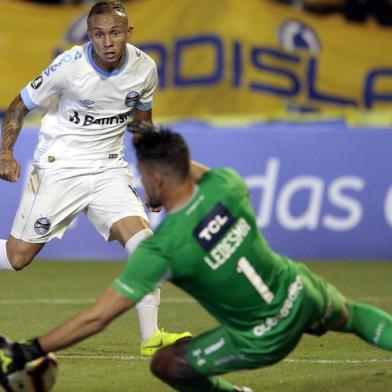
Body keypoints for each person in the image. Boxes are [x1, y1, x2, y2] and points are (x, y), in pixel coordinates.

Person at [1, 127, 392, 392]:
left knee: (166, 364)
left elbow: (97, 317)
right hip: (300, 290)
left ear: (155, 180)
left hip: (262, 336)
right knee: (352, 315)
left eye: (142, 175)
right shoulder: (228, 184)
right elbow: (193, 173)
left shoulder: (163, 248)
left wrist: (32, 348)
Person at [0, 0, 190, 355]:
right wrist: (5, 152)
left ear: (128, 33)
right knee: (17, 258)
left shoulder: (144, 69)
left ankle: (151, 338)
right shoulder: (68, 66)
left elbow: (141, 124)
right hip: (60, 167)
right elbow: (19, 104)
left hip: (108, 170)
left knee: (145, 247)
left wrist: (151, 178)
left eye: (115, 33)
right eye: (99, 34)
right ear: (89, 35)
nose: (107, 42)